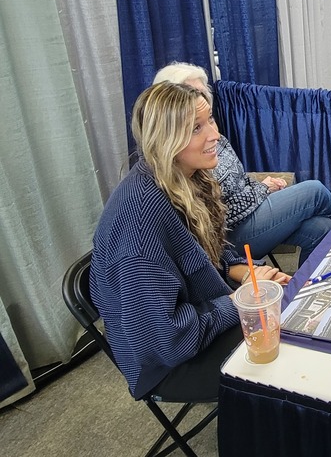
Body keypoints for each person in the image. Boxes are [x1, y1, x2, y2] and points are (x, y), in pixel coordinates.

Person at [90, 83, 291, 402]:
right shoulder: (139, 227)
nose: (214, 135)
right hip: (170, 365)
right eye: (196, 128)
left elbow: (208, 249)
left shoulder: (185, 177)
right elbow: (166, 341)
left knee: (288, 309)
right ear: (165, 139)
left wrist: (242, 274)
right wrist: (240, 300)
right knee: (290, 342)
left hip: (203, 321)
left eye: (210, 120)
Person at [153, 63, 331, 265]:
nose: (202, 100)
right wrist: (262, 189)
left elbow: (239, 179)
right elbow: (221, 212)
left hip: (250, 210)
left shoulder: (214, 135)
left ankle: (309, 286)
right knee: (315, 191)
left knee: (320, 227)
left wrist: (260, 187)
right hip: (232, 233)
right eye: (192, 94)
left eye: (203, 94)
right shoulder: (188, 161)